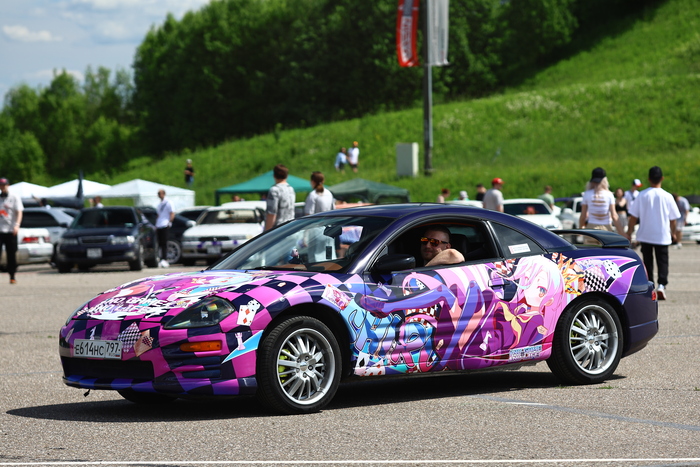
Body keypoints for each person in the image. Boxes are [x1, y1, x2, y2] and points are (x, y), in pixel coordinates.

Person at [627, 166, 680, 300]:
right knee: (663, 261)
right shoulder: (667, 196)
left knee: (647, 261)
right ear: (662, 178)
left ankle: (650, 286)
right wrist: (673, 232)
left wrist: (629, 232)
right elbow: (673, 219)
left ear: (649, 179)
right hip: (662, 235)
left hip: (645, 234)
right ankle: (662, 284)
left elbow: (633, 217)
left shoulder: (641, 195)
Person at [579, 167, 623, 235]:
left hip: (591, 228)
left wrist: (580, 228)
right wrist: (622, 233)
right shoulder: (609, 195)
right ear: (604, 180)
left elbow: (583, 216)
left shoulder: (587, 194)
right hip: (606, 228)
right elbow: (614, 216)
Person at [0, 178, 24, 284]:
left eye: (4, 185)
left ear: (8, 185)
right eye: (1, 185)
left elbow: (19, 212)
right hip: (0, 230)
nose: (3, 187)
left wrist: (17, 225)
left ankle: (12, 276)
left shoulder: (14, 197)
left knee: (11, 253)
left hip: (10, 230)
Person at [265, 164, 296, 231]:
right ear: (286, 176)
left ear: (274, 176)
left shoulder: (274, 190)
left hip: (279, 229)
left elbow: (271, 213)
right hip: (291, 227)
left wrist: (266, 232)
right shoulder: (291, 189)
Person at [155, 189, 175, 268]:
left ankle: (165, 259)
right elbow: (158, 215)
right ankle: (160, 258)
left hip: (165, 224)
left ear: (163, 194)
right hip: (159, 225)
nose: (159, 195)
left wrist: (170, 222)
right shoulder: (159, 204)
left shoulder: (168, 202)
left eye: (159, 193)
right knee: (159, 243)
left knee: (164, 243)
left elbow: (172, 213)